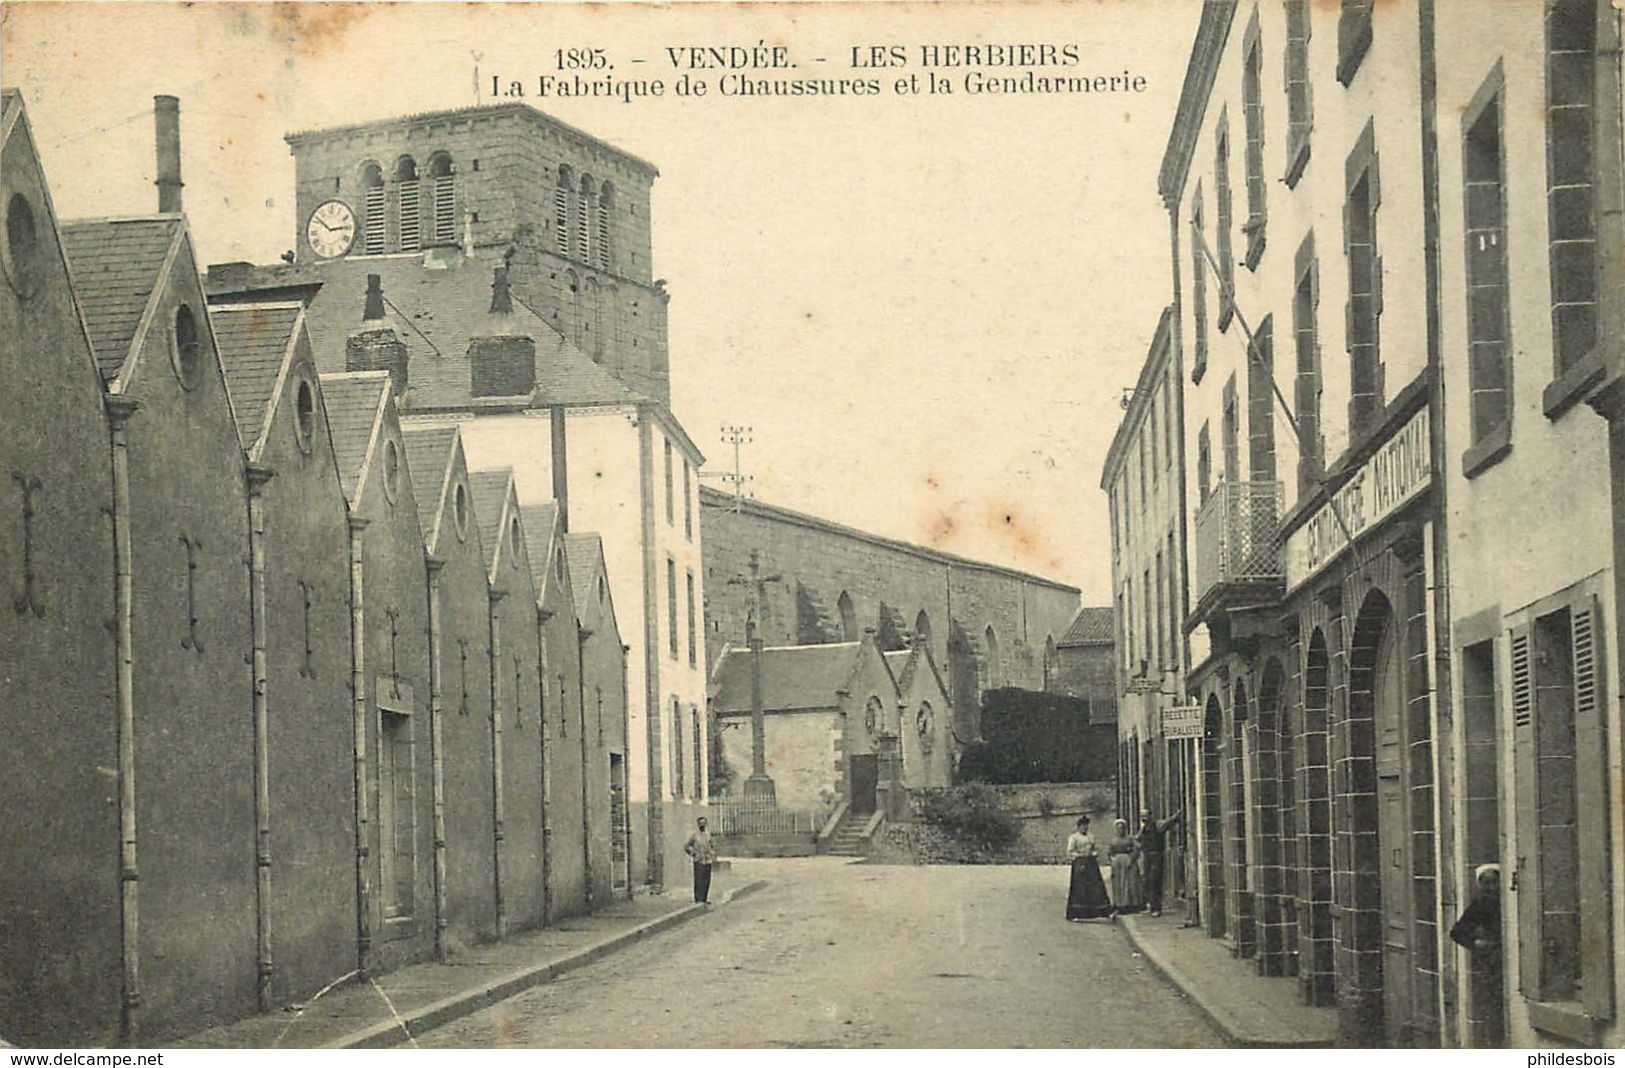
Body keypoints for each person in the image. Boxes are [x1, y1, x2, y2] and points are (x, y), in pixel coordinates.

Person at [1450, 864, 1505, 1047]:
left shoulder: (1508, 902)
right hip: (1492, 962)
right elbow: (1457, 932)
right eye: (1486, 883)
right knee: (1493, 1005)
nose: (1491, 888)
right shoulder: (1479, 904)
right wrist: (1477, 943)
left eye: (1494, 882)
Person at [1064, 815, 1113, 921]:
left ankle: (1101, 912)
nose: (1085, 828)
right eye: (1083, 826)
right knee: (1080, 888)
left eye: (1086, 826)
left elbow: (1094, 849)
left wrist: (1093, 853)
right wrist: (1078, 857)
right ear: (1078, 827)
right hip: (1079, 863)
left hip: (1091, 863)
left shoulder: (1091, 836)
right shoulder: (1074, 837)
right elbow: (1070, 851)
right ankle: (1077, 913)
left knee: (1095, 887)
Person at [1136, 807, 1182, 917]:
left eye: (1145, 816)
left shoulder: (1157, 824)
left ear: (1150, 815)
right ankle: (1151, 906)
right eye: (1142, 816)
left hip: (1156, 856)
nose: (1143, 818)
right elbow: (1137, 838)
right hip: (1147, 857)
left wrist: (1177, 815)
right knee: (1147, 881)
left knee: (1155, 881)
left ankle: (1156, 908)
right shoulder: (1144, 828)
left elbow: (1168, 822)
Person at [1107, 818, 1144, 914]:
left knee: (1130, 882)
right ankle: (1119, 904)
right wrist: (1112, 859)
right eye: (1118, 828)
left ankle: (1132, 904)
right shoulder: (1113, 840)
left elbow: (1136, 849)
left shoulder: (1130, 839)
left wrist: (1131, 859)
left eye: (1122, 828)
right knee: (1119, 883)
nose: (1120, 830)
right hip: (1117, 864)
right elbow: (1110, 852)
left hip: (1128, 862)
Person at [684, 816, 718, 905]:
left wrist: (712, 854)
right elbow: (687, 846)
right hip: (698, 861)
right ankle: (698, 899)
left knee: (706, 880)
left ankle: (704, 898)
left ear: (706, 824)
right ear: (698, 824)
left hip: (707, 860)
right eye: (700, 823)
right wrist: (693, 853)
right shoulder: (694, 835)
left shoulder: (708, 835)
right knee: (699, 880)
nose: (702, 825)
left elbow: (712, 846)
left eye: (704, 823)